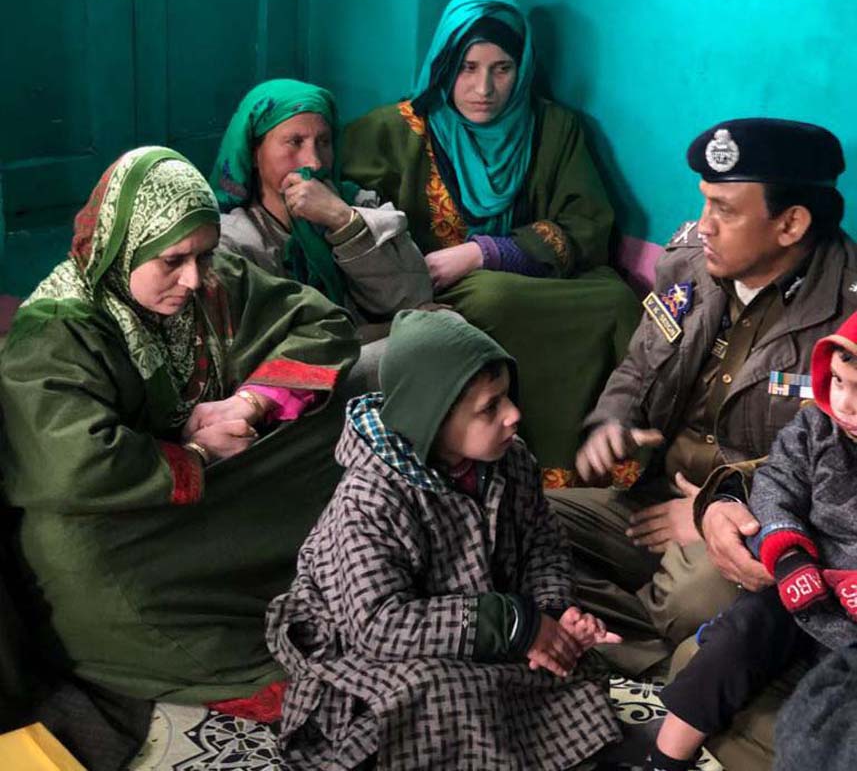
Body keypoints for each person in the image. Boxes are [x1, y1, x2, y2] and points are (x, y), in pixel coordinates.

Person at [546, 117, 857, 764]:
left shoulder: (847, 311)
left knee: (692, 598)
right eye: (704, 203)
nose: (704, 224)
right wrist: (612, 423)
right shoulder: (690, 260)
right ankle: (658, 650)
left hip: (747, 521)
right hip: (649, 492)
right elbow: (637, 366)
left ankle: (670, 653)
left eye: (724, 209)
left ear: (790, 224)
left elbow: (828, 462)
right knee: (528, 520)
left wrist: (713, 506)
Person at [0, 147, 359, 706]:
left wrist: (250, 404)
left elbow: (323, 324)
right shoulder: (56, 329)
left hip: (219, 488)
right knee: (81, 564)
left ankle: (340, 571)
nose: (192, 278)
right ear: (123, 246)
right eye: (172, 260)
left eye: (204, 254)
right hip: (125, 522)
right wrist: (198, 454)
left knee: (346, 420)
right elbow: (71, 466)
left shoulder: (213, 280)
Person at [265, 309, 622, 770]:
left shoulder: (511, 460)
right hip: (370, 641)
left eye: (507, 396)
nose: (514, 415)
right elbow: (379, 626)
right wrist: (514, 625)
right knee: (437, 690)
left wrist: (552, 613)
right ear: (431, 417)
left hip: (482, 613)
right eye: (490, 408)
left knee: (571, 662)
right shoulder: (370, 497)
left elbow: (543, 545)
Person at [341, 0, 640, 479]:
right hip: (432, 287)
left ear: (523, 68)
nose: (484, 88)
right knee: (490, 300)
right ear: (443, 65)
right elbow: (354, 221)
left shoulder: (553, 128)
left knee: (618, 301)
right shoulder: (394, 131)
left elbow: (587, 224)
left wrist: (485, 253)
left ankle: (599, 464)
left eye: (502, 68)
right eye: (467, 67)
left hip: (536, 277)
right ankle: (518, 464)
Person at [643, 314, 857, 770]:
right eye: (838, 382)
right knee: (733, 639)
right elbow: (775, 484)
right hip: (801, 581)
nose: (845, 403)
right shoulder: (816, 429)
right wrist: (787, 554)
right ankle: (663, 759)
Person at [210, 78, 432, 331]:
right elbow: (285, 339)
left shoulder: (361, 205)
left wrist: (343, 221)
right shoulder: (234, 240)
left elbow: (414, 297)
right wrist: (384, 331)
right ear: (253, 153)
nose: (314, 163)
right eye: (295, 142)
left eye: (324, 142)